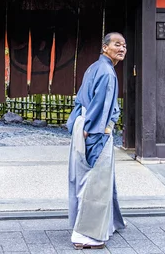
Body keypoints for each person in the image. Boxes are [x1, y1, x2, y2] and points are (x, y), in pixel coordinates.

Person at [66, 32, 127, 250]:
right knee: (95, 181)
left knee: (86, 179)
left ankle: (105, 224)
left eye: (124, 45)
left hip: (84, 126)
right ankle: (85, 234)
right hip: (94, 130)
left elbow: (82, 100)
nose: (122, 48)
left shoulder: (95, 67)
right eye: (117, 44)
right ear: (104, 48)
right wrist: (96, 132)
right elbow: (98, 107)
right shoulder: (106, 72)